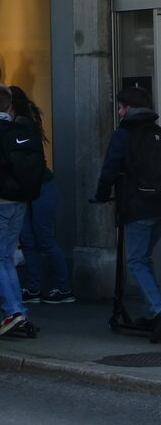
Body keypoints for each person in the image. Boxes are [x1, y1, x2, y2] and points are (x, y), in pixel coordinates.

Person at [94, 86, 161, 341]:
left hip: (138, 206)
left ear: (130, 108)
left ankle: (158, 310)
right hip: (158, 205)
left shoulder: (124, 134)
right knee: (143, 258)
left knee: (136, 260)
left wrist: (101, 195)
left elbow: (110, 168)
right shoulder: (156, 132)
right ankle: (152, 312)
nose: (120, 112)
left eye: (122, 107)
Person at [11, 85, 74, 304]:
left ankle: (59, 288)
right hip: (36, 187)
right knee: (34, 239)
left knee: (37, 239)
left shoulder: (21, 125)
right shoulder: (27, 123)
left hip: (36, 187)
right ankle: (42, 288)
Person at [0, 84, 34, 335]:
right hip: (20, 201)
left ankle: (13, 311)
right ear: (10, 106)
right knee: (7, 257)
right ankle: (18, 311)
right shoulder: (21, 129)